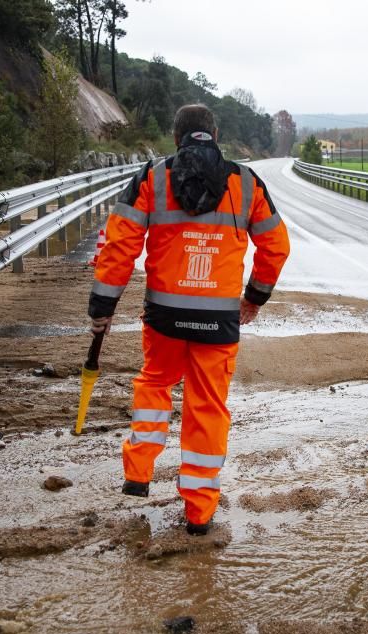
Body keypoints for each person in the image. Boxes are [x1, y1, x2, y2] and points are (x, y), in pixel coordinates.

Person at [87, 104, 290, 535]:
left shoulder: (151, 178)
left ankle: (138, 472)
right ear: (214, 134)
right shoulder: (247, 183)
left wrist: (102, 307)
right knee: (207, 407)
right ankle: (199, 511)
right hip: (218, 322)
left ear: (175, 136)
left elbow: (119, 247)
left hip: (163, 317)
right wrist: (253, 298)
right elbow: (275, 247)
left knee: (155, 383)